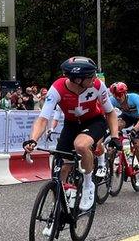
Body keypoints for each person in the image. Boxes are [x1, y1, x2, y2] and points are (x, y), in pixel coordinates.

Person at [23, 57, 120, 212]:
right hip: (71, 124)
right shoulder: (57, 88)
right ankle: (58, 211)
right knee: (60, 169)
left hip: (94, 122)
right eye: (91, 75)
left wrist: (115, 136)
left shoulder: (97, 85)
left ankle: (88, 184)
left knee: (80, 145)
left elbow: (110, 112)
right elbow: (43, 119)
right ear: (77, 79)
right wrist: (33, 140)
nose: (95, 78)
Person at [108, 81, 139, 186]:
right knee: (117, 125)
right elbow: (105, 114)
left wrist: (134, 130)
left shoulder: (135, 98)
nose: (118, 98)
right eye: (115, 95)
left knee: (137, 144)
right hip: (127, 117)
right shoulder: (112, 100)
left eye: (120, 94)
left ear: (125, 93)